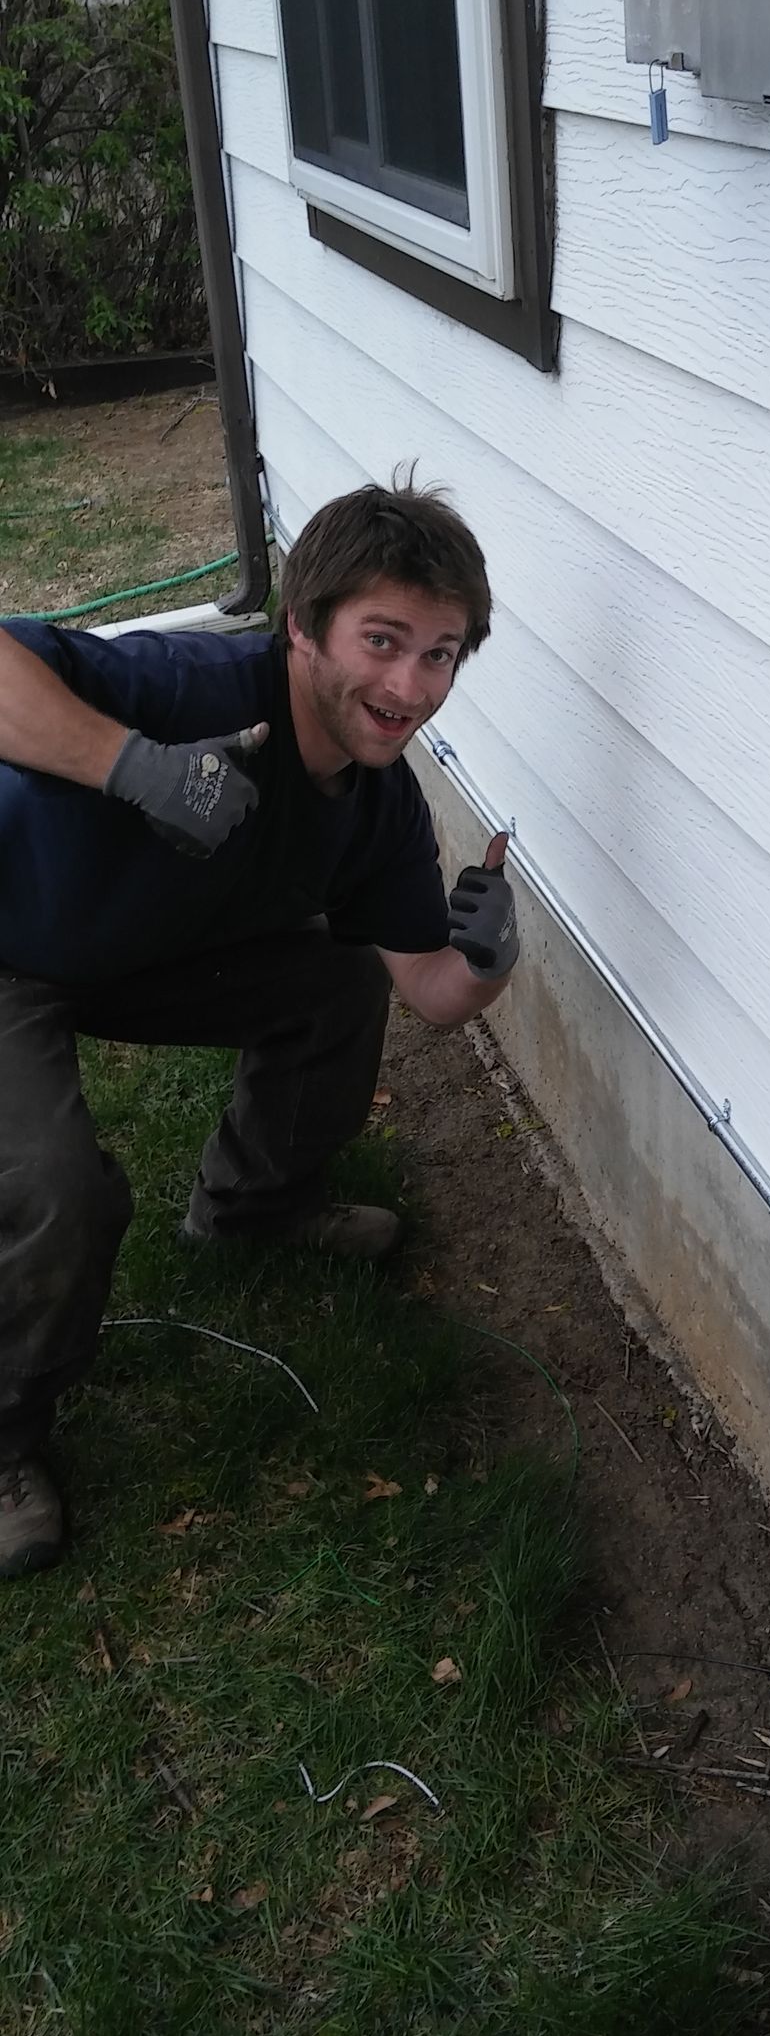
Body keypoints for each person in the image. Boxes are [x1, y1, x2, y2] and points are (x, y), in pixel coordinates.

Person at [0, 478, 520, 1579]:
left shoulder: (377, 806)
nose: (408, 685)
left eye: (440, 653)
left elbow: (423, 983)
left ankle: (250, 1210)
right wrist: (128, 765)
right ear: (301, 623)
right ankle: (7, 1438)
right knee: (58, 1188)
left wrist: (483, 967)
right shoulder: (188, 685)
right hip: (10, 937)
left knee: (336, 981)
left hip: (133, 953)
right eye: (381, 641)